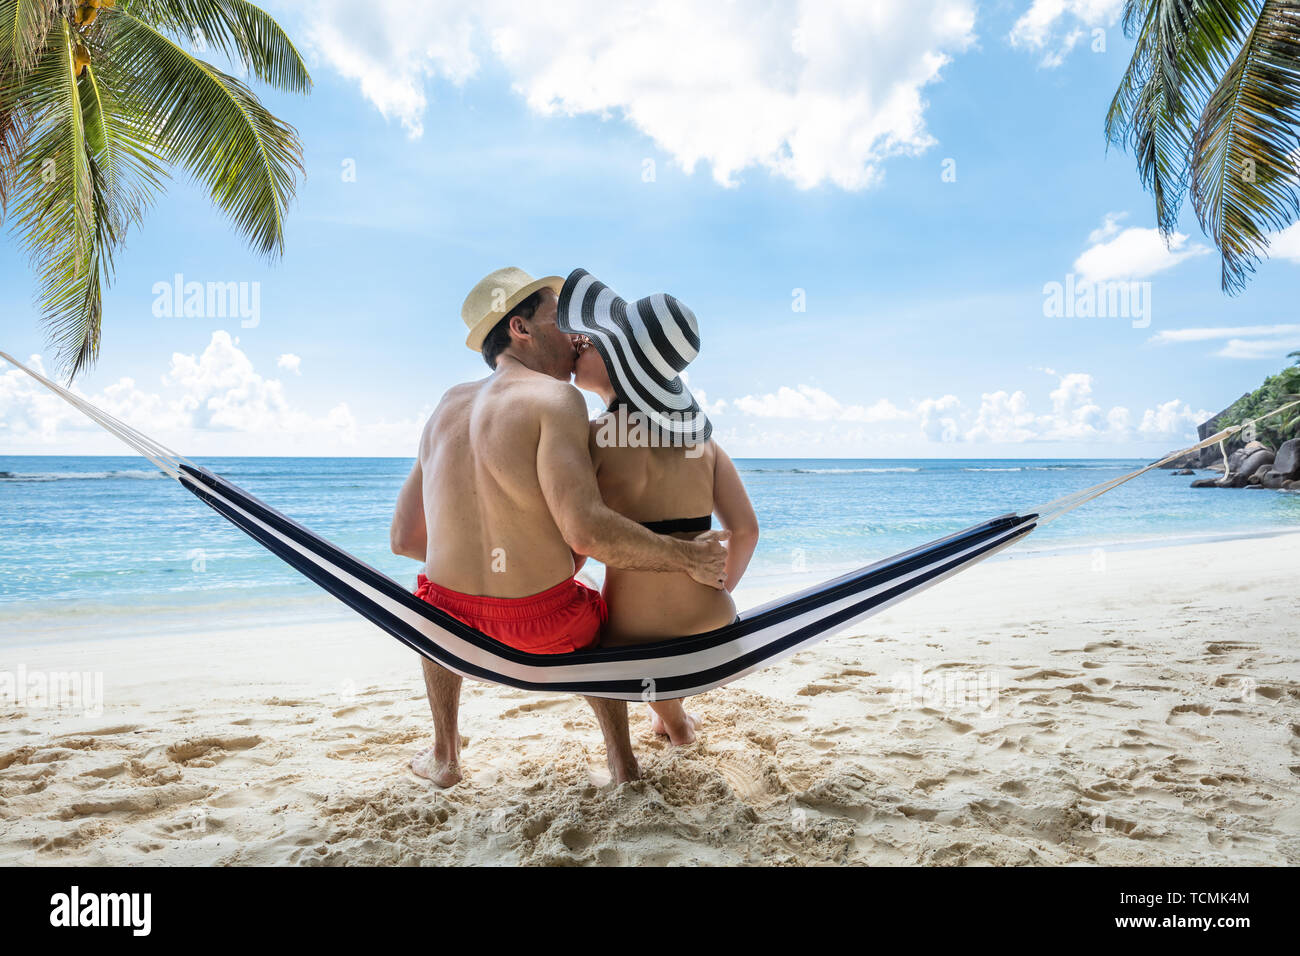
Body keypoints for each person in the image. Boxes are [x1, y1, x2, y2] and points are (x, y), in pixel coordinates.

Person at [389, 267, 730, 787]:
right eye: (559, 319)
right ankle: (623, 762)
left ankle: (444, 756)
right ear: (521, 328)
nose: (575, 335)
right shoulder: (557, 400)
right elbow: (587, 533)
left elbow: (405, 541)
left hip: (451, 631)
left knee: (428, 604)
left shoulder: (445, 407)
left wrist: (482, 570)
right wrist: (687, 556)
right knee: (599, 615)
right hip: (545, 628)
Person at [559, 269, 759, 748]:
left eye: (592, 340)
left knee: (611, 622)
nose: (579, 343)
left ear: (618, 361)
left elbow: (575, 542)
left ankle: (675, 721)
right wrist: (716, 583)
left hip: (632, 645)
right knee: (663, 641)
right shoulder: (704, 446)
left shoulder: (591, 439)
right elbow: (746, 531)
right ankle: (671, 714)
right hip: (714, 633)